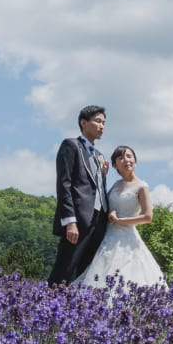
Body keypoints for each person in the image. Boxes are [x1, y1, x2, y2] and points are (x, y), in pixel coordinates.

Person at [74, 144, 166, 290]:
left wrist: (120, 221)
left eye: (129, 156)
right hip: (109, 238)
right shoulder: (116, 184)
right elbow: (103, 203)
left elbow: (148, 216)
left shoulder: (141, 186)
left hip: (128, 239)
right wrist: (102, 176)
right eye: (121, 157)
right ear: (115, 165)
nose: (126, 160)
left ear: (135, 161)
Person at [48, 105, 110, 284]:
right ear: (84, 123)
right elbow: (64, 184)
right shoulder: (70, 145)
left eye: (104, 123)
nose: (102, 126)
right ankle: (50, 308)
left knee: (87, 274)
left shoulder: (99, 155)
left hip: (99, 222)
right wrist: (70, 221)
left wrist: (103, 176)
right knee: (63, 272)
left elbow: (96, 189)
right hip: (78, 222)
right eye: (98, 121)